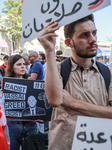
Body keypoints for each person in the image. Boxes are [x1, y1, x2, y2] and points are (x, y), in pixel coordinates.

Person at [37, 15, 112, 150]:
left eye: (94, 33)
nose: (93, 39)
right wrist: (49, 51)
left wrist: (73, 103)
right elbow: (54, 100)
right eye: (84, 35)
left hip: (99, 144)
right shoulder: (58, 69)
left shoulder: (108, 73)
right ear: (69, 42)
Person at [6, 54, 37, 150]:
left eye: (24, 64)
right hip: (12, 126)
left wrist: (40, 117)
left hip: (30, 125)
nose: (23, 66)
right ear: (12, 67)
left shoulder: (32, 84)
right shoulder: (6, 85)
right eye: (19, 64)